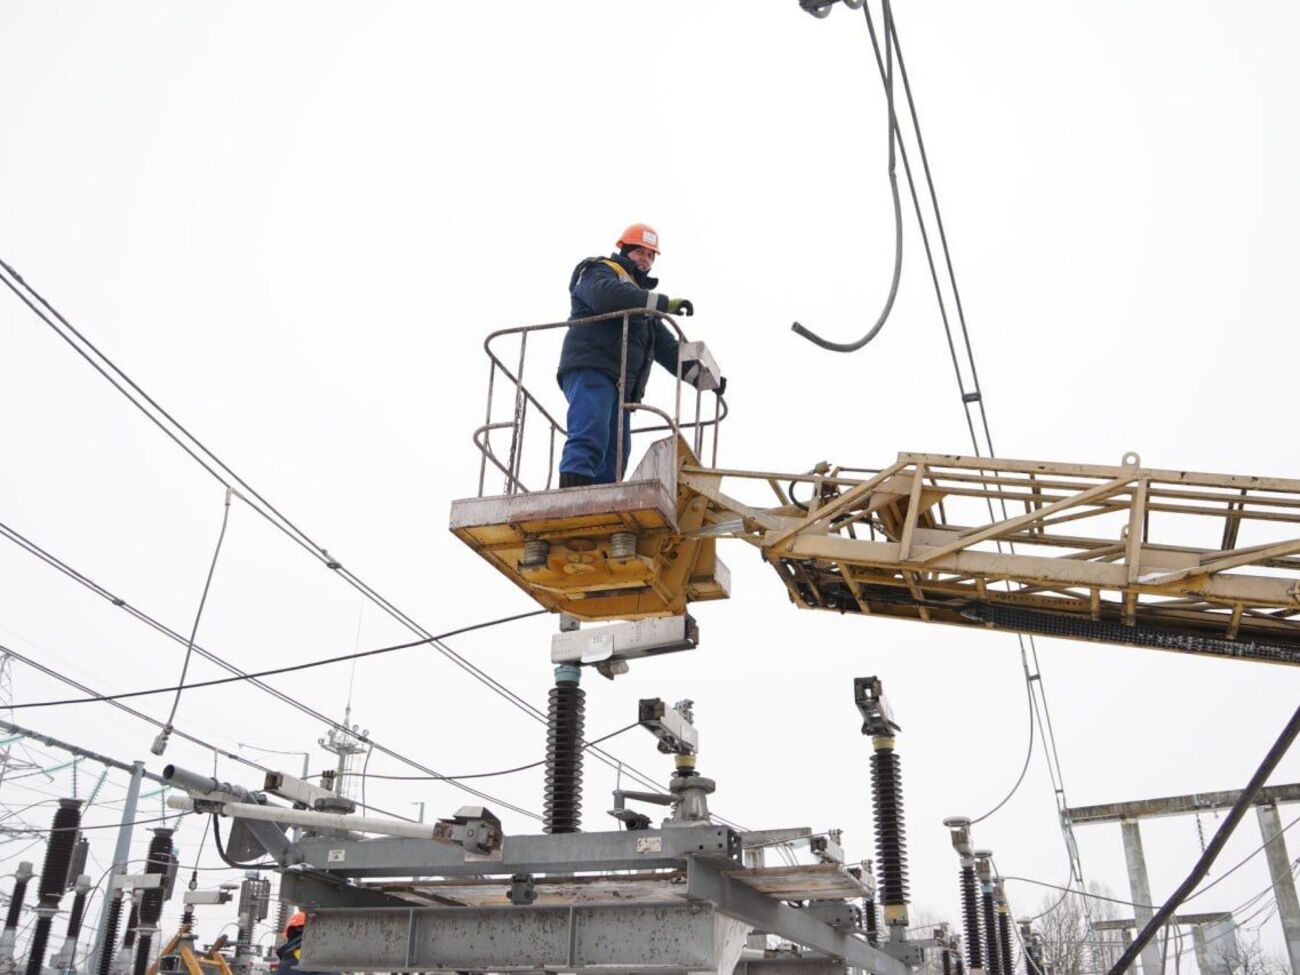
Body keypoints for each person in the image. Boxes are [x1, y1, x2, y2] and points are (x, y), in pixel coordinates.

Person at [556, 223, 725, 487]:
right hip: (593, 368)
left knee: (616, 451)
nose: (645, 260)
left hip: (621, 385)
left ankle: (602, 498)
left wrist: (704, 379)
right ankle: (571, 493)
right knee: (591, 431)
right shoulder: (599, 271)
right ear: (624, 250)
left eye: (650, 255)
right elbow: (607, 297)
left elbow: (667, 349)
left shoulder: (641, 303)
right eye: (640, 253)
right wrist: (663, 303)